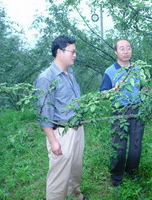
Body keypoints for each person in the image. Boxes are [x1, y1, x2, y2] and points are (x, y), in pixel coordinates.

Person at [35, 35, 88, 200]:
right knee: (59, 176)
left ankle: (75, 195)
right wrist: (53, 141)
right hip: (62, 133)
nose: (75, 55)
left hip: (77, 129)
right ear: (59, 51)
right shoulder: (46, 78)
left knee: (75, 168)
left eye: (75, 52)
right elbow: (43, 114)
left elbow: (74, 101)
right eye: (72, 51)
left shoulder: (70, 73)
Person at [100, 39, 145, 187]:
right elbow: (102, 95)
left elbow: (144, 87)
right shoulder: (110, 71)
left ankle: (131, 172)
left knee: (135, 146)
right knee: (119, 147)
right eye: (121, 48)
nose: (126, 51)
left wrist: (147, 93)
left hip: (138, 110)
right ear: (115, 52)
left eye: (128, 48)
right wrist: (114, 90)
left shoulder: (138, 68)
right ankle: (116, 177)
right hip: (119, 111)